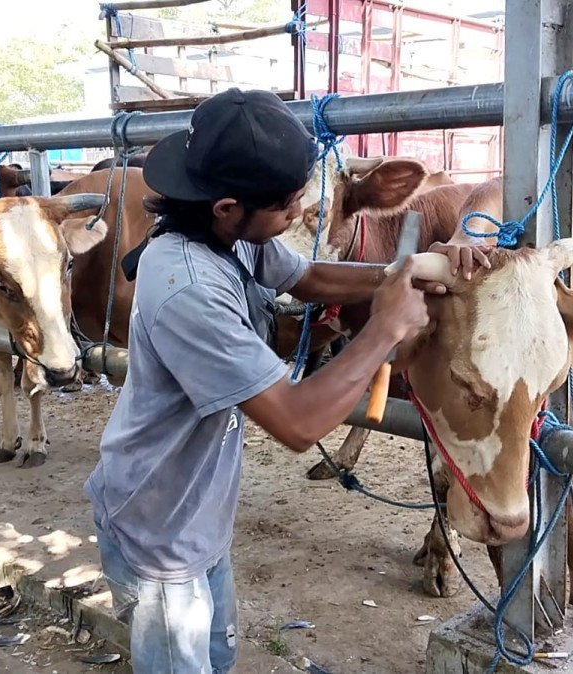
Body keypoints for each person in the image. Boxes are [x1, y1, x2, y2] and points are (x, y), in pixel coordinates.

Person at [83, 88, 493, 673]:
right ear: (227, 206)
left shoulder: (222, 235)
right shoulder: (191, 288)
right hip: (159, 522)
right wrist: (383, 330)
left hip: (193, 505)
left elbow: (307, 277)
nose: (301, 213)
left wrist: (411, 269)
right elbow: (298, 423)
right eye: (290, 203)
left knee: (216, 651)